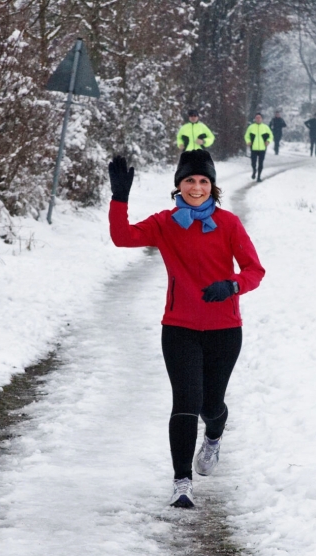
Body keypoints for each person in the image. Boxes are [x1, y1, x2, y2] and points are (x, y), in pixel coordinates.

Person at [108, 150, 265, 508]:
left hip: (225, 328)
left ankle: (214, 435)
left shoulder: (228, 225)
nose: (196, 187)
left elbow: (255, 270)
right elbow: (122, 237)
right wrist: (119, 199)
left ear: (213, 187)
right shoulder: (165, 223)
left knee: (211, 405)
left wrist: (234, 285)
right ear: (179, 184)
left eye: (203, 181)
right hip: (178, 326)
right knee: (186, 401)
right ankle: (182, 482)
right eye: (190, 180)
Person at [244, 113, 273, 182]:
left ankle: (259, 177)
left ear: (261, 119)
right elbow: (246, 136)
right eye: (257, 118)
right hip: (253, 148)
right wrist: (248, 141)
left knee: (261, 163)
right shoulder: (251, 127)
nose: (258, 119)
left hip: (262, 148)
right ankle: (254, 171)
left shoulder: (265, 127)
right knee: (253, 162)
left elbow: (271, 136)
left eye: (259, 118)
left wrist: (268, 141)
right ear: (255, 119)